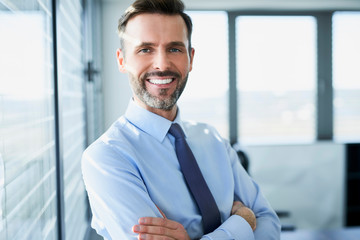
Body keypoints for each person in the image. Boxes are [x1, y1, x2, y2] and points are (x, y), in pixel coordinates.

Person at [82, 0, 281, 239]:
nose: (162, 64)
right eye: (145, 49)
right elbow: (255, 220)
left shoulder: (213, 139)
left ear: (191, 58)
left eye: (174, 49)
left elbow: (269, 225)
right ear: (122, 60)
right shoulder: (107, 157)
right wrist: (243, 221)